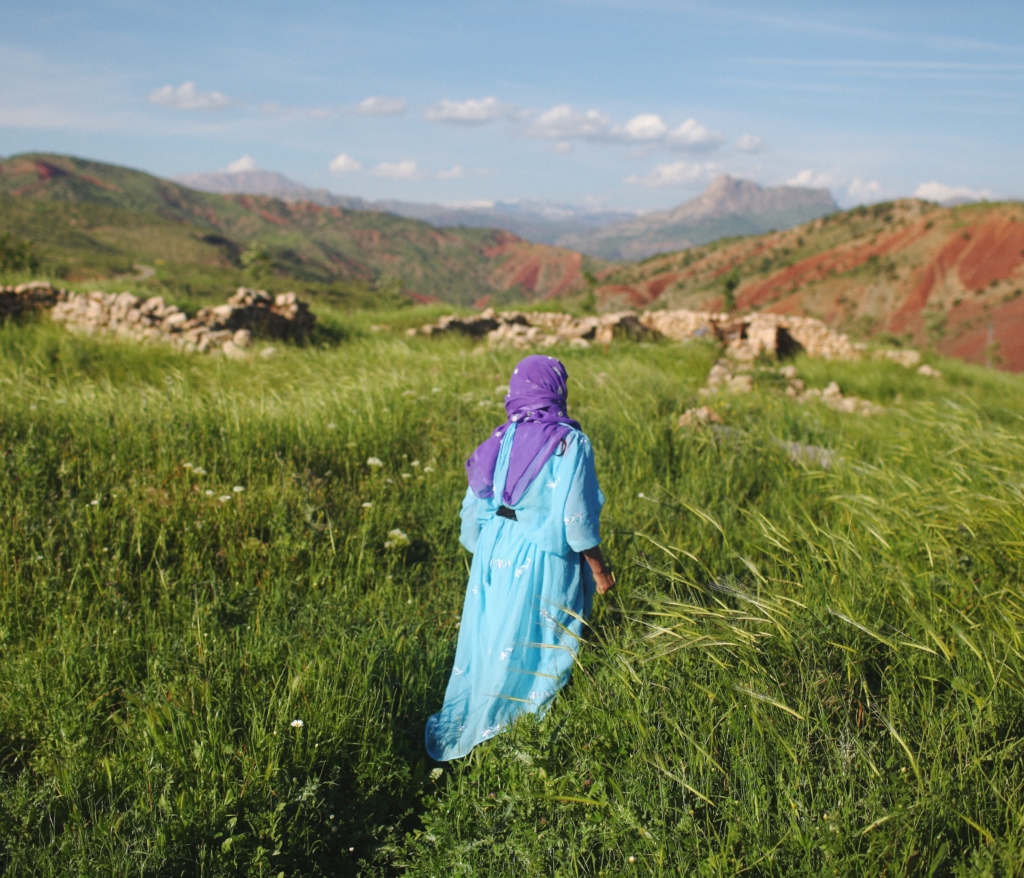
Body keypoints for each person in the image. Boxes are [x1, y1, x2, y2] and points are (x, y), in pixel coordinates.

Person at [425, 354, 614, 761]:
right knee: (539, 638)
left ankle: (484, 716)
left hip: (496, 546)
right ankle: (519, 731)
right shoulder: (569, 441)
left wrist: (484, 549)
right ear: (556, 389)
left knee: (494, 631)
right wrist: (599, 569)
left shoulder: (505, 436)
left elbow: (476, 501)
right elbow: (576, 520)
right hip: (541, 554)